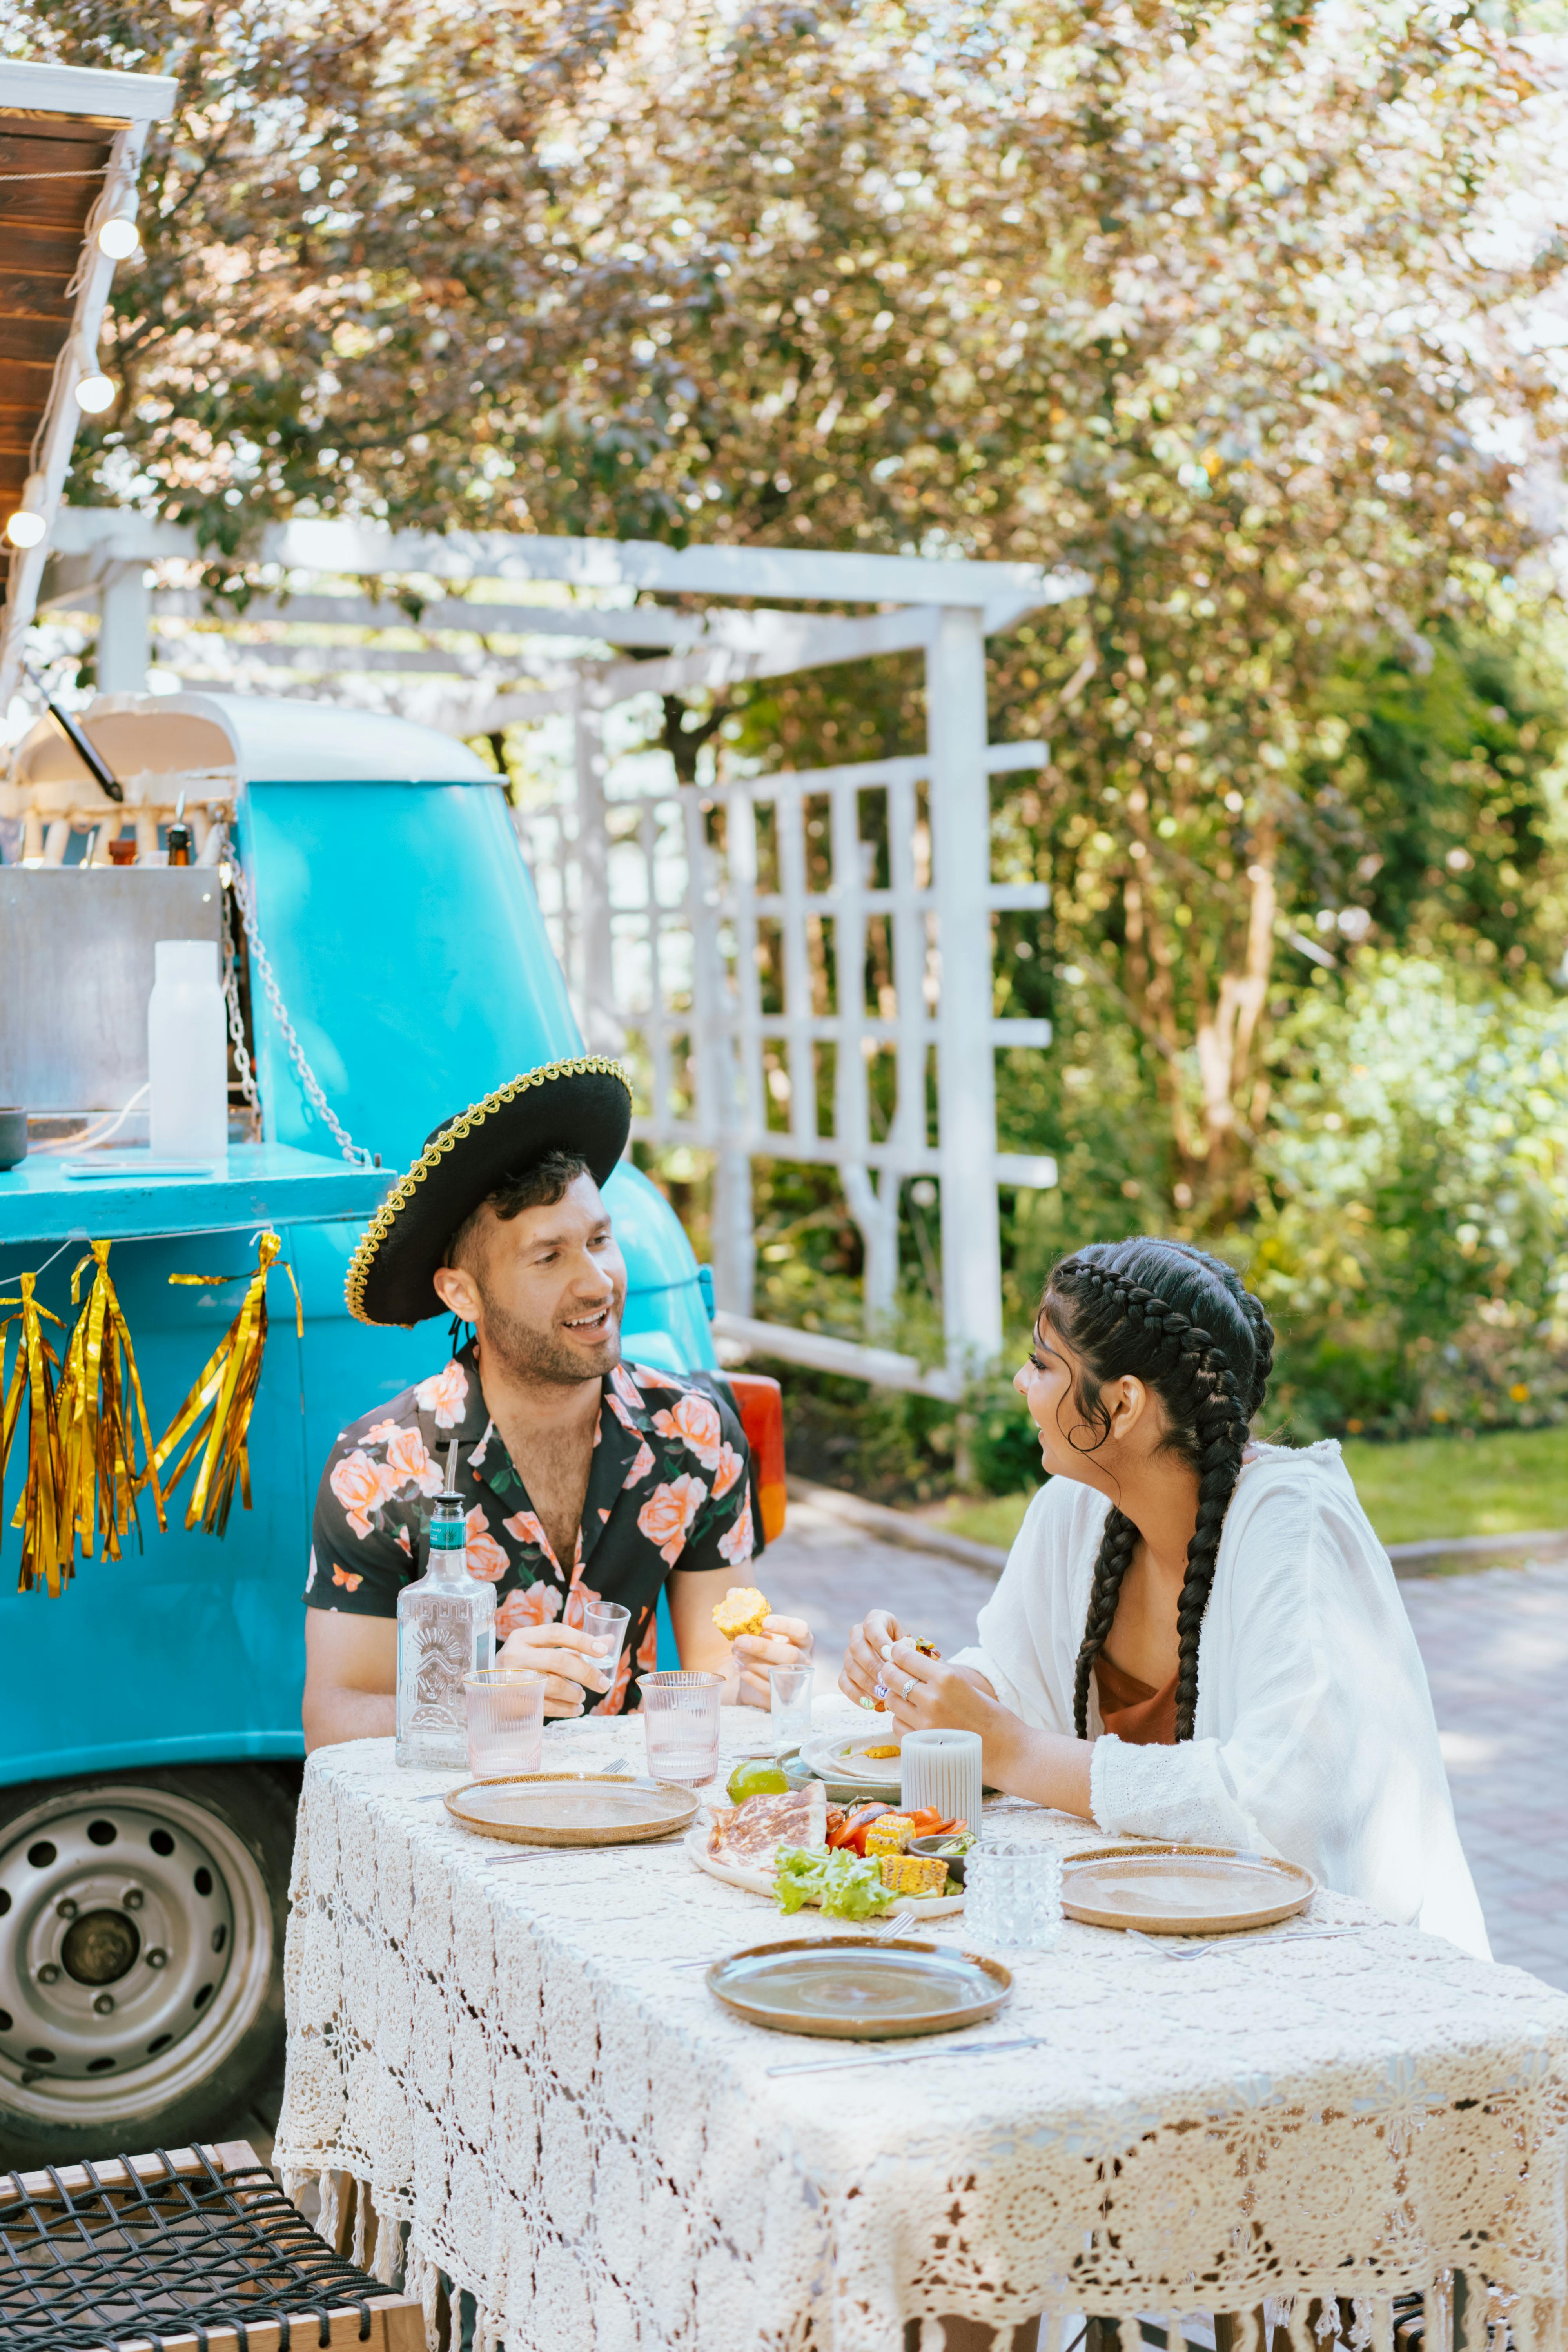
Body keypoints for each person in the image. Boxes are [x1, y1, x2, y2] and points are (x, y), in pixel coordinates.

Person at [840, 1236, 1488, 1957]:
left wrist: (1013, 1752)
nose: (1021, 1384)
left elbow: (1278, 1807)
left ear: (1121, 1405)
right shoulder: (1072, 1509)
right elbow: (1017, 1683)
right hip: (1156, 1942)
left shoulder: (1292, 1526)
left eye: (1042, 1364)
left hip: (1340, 1971)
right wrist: (923, 1684)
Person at [303, 1055, 810, 1750]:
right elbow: (335, 1722)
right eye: (549, 1258)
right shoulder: (378, 1470)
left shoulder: (694, 1432)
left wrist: (761, 1675)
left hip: (634, 1820)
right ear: (462, 1295)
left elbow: (716, 1670)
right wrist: (487, 1696)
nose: (598, 1283)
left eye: (601, 1240)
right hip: (456, 1833)